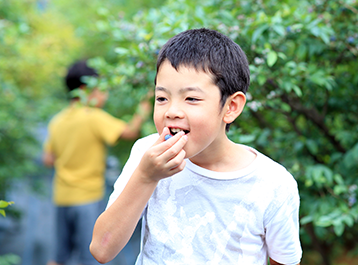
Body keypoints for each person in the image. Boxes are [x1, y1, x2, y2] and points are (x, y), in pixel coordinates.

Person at [90, 28, 302, 265]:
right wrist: (146, 176)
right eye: (162, 98)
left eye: (191, 98)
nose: (171, 111)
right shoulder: (147, 155)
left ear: (231, 107)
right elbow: (102, 249)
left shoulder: (272, 183)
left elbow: (284, 260)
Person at [43, 60, 151, 265]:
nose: (105, 95)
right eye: (101, 89)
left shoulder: (57, 120)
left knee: (59, 257)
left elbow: (48, 159)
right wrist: (146, 102)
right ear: (85, 88)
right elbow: (130, 131)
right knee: (90, 258)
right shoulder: (92, 117)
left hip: (61, 196)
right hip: (87, 196)